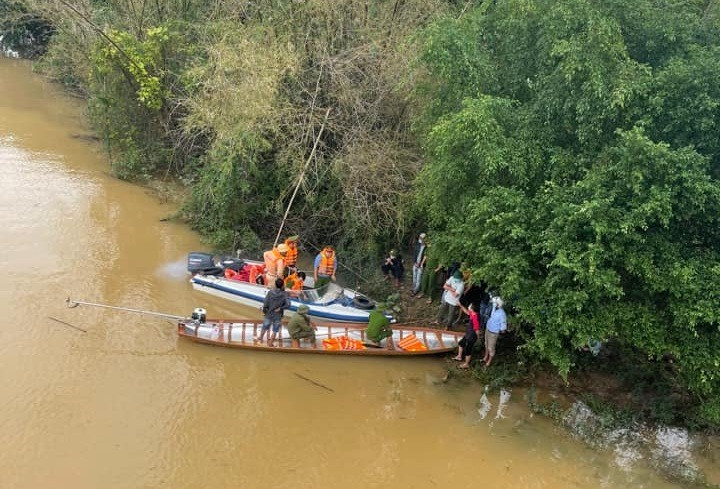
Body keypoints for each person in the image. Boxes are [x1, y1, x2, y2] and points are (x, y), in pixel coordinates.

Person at [255, 278, 291, 347]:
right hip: (278, 315)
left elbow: (265, 303)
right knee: (275, 330)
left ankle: (260, 339)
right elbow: (288, 305)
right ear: (283, 285)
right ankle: (270, 343)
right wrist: (281, 308)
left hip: (269, 313)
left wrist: (264, 311)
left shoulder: (270, 292)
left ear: (275, 284)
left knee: (265, 326)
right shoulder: (285, 294)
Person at [453, 302, 482, 368]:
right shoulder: (473, 313)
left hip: (471, 336)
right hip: (468, 334)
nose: (469, 306)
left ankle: (466, 364)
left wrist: (478, 338)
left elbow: (477, 330)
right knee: (461, 343)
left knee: (468, 349)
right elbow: (467, 312)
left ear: (472, 308)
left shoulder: (475, 317)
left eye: (470, 305)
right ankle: (459, 357)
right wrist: (460, 305)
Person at [484, 297, 507, 367]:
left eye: (495, 303)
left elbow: (503, 327)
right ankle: (485, 356)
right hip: (488, 329)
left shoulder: (502, 314)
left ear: (498, 305)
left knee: (491, 348)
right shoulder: (494, 307)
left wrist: (502, 331)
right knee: (486, 343)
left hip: (493, 333)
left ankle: (489, 361)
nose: (493, 304)